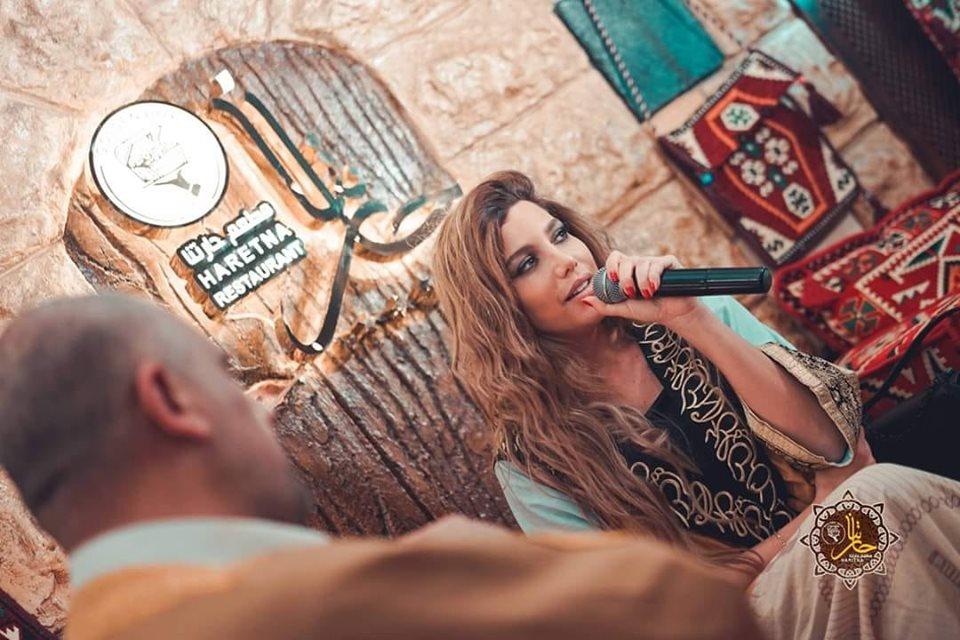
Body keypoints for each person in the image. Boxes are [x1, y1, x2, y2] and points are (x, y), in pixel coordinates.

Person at [0, 294, 763, 640]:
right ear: (170, 398)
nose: (261, 411)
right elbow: (690, 610)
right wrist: (484, 562)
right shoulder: (318, 605)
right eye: (226, 379)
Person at [431, 170, 960, 639]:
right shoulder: (531, 463)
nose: (567, 261)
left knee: (876, 519)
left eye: (560, 235)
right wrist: (809, 520)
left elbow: (835, 444)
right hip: (747, 620)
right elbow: (645, 617)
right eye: (527, 263)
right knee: (877, 500)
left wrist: (692, 320)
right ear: (498, 307)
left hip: (847, 543)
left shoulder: (686, 312)